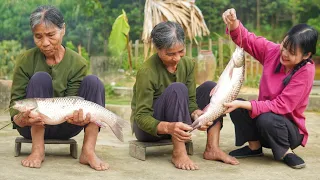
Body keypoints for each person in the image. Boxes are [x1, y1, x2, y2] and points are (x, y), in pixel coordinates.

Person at [9, 5, 108, 171]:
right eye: (38, 36)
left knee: (94, 82)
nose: (45, 43)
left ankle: (88, 151)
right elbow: (14, 104)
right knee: (40, 78)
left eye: (51, 35)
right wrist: (21, 119)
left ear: (63, 30)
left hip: (66, 126)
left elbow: (72, 101)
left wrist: (79, 117)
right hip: (30, 127)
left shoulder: (78, 63)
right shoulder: (25, 60)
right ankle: (37, 149)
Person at [130, 21, 239, 171]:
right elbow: (141, 116)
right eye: (170, 54)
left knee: (210, 87)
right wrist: (169, 127)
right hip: (149, 130)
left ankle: (212, 148)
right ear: (157, 49)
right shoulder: (147, 71)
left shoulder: (187, 64)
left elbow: (191, 101)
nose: (177, 58)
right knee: (177, 89)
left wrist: (197, 114)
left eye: (180, 51)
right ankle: (178, 152)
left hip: (179, 124)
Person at [222, 8, 318, 169]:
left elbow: (281, 106)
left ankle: (286, 152)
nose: (285, 53)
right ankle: (255, 147)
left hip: (287, 131)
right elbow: (248, 40)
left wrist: (247, 105)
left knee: (266, 117)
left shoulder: (306, 71)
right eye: (284, 45)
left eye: (292, 52)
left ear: (306, 55)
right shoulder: (273, 51)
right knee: (237, 105)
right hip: (263, 123)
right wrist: (233, 24)